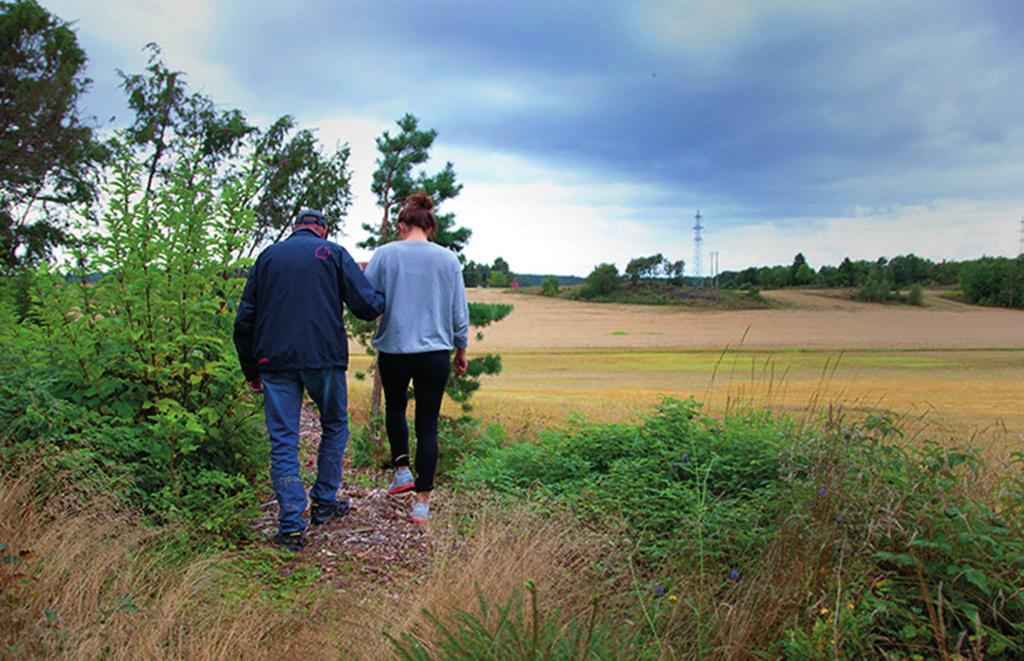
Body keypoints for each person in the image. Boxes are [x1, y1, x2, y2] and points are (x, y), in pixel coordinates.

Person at [234, 209, 384, 551]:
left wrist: (250, 371)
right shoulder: (333, 253)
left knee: (284, 439)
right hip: (324, 359)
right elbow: (365, 306)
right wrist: (384, 298)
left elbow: (244, 321)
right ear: (322, 230)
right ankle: (324, 503)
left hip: (274, 360)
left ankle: (290, 526)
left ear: (294, 228)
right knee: (334, 425)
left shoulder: (269, 257)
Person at [364, 191, 469, 523]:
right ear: (429, 226)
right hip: (436, 353)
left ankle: (402, 472)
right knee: (427, 425)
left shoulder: (385, 254)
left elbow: (366, 301)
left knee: (395, 408)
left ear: (402, 224)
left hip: (395, 349)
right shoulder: (449, 260)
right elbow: (458, 311)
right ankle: (421, 503)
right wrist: (461, 348)